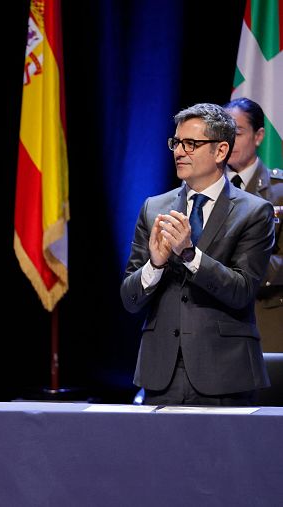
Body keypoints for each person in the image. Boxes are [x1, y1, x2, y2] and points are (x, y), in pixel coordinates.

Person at [120, 103, 276, 406]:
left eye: (191, 144)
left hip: (225, 374)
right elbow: (130, 298)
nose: (179, 151)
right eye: (176, 143)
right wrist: (156, 263)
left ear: (220, 152)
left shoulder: (254, 212)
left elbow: (242, 291)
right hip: (160, 373)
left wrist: (190, 254)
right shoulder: (154, 208)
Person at [223, 97, 283, 351]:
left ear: (258, 136)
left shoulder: (279, 192)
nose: (228, 140)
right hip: (212, 322)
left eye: (236, 132)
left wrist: (239, 260)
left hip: (264, 318)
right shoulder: (197, 189)